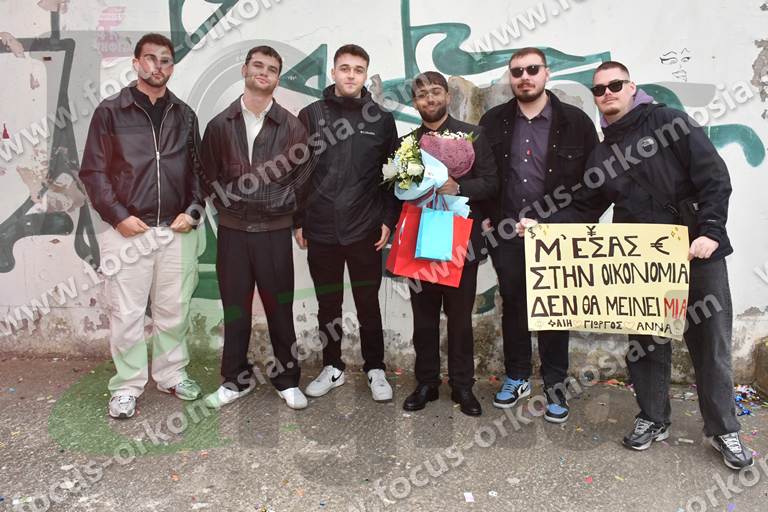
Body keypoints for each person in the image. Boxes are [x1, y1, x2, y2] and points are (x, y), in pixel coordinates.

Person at [516, 61, 753, 470]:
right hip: (642, 262)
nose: (607, 93)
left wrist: (711, 231)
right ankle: (653, 417)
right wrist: (543, 226)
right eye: (599, 89)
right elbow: (586, 205)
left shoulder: (669, 122)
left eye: (615, 85)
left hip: (696, 251)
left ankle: (723, 429)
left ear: (631, 87)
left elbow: (714, 177)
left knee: (710, 344)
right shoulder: (602, 151)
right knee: (646, 343)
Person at [80, 33, 203, 419]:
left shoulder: (184, 115)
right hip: (128, 231)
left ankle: (171, 374)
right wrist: (118, 216)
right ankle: (127, 386)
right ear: (136, 63)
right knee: (127, 313)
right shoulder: (110, 112)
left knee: (174, 310)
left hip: (176, 231)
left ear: (172, 66)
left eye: (165, 60)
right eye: (150, 58)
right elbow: (93, 172)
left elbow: (199, 171)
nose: (157, 66)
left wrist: (194, 211)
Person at [478, 47, 598, 422]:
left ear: (546, 73)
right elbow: (481, 174)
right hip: (508, 234)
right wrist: (486, 218)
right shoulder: (493, 121)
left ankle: (555, 384)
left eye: (532, 69)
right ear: (510, 78)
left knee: (554, 309)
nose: (524, 77)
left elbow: (595, 185)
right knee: (514, 304)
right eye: (517, 72)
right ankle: (517, 376)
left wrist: (564, 224)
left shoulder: (576, 122)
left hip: (556, 237)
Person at [199, 46, 316, 410]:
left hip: (273, 232)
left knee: (279, 309)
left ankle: (287, 380)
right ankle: (234, 379)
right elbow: (207, 175)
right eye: (258, 65)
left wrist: (289, 215)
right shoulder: (220, 125)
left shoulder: (292, 126)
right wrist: (229, 206)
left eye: (272, 69)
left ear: (278, 78)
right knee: (235, 309)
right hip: (233, 232)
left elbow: (303, 179)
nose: (264, 72)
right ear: (244, 70)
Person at [295, 44, 399, 402]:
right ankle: (332, 366)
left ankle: (375, 368)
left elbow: (392, 176)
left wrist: (387, 219)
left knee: (368, 303)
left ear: (365, 74)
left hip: (365, 229)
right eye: (344, 68)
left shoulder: (381, 119)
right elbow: (299, 172)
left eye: (358, 69)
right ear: (333, 72)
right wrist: (299, 220)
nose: (351, 75)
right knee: (328, 304)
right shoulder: (311, 115)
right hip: (321, 228)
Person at [400, 71, 498, 417]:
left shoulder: (473, 136)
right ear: (415, 102)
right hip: (420, 241)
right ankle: (426, 383)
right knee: (423, 319)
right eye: (422, 94)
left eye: (435, 92)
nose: (430, 99)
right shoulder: (407, 143)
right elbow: (397, 192)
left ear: (447, 96)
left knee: (459, 320)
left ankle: (462, 385)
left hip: (460, 242)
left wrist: (460, 187)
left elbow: (491, 183)